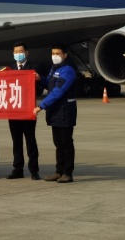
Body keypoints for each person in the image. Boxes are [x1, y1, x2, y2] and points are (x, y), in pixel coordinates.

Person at [34, 43, 77, 183]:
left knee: (66, 143)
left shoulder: (68, 70)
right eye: (53, 53)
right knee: (58, 143)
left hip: (65, 111)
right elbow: (50, 84)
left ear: (64, 55)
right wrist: (40, 79)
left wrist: (42, 105)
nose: (55, 56)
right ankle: (59, 171)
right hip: (55, 111)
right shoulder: (55, 68)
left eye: (58, 54)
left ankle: (68, 173)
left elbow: (58, 91)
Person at [7, 42, 41, 180]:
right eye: (16, 52)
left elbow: (39, 90)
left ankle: (34, 169)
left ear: (26, 53)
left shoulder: (33, 68)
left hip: (28, 110)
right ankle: (18, 169)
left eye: (21, 51)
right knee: (16, 141)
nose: (18, 54)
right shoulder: (9, 69)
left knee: (30, 140)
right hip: (14, 110)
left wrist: (37, 80)